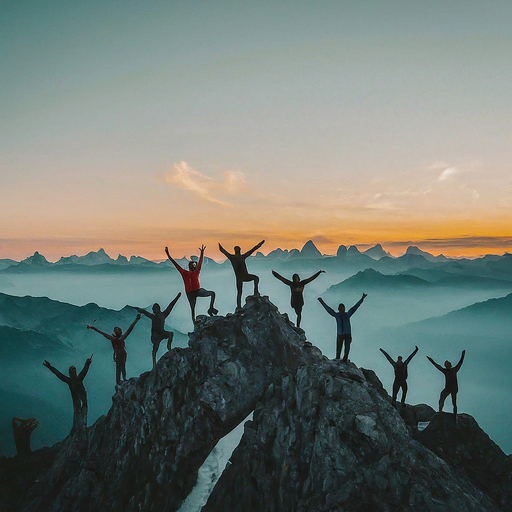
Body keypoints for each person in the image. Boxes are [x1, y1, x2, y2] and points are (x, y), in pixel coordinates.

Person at [165, 245, 217, 322]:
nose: (194, 266)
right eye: (193, 265)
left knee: (211, 294)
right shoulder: (186, 272)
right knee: (193, 309)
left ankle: (210, 309)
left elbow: (200, 263)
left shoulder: (190, 272)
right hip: (192, 292)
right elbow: (176, 264)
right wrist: (168, 255)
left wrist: (202, 253)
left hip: (194, 292)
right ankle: (196, 321)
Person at [43, 356, 93, 435]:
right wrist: (87, 363)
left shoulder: (70, 380)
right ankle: (79, 431)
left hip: (79, 401)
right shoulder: (76, 378)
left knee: (80, 413)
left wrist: (50, 367)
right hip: (80, 400)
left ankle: (79, 431)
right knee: (80, 413)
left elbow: (58, 374)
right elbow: (85, 370)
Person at [131, 292, 181, 370]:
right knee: (155, 347)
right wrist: (133, 307)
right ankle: (154, 364)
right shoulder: (154, 316)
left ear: (158, 310)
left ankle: (169, 347)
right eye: (154, 310)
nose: (154, 311)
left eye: (155, 310)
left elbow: (171, 305)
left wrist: (177, 297)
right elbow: (143, 311)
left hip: (162, 333)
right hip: (155, 335)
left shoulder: (163, 315)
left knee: (171, 334)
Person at [87, 315, 141, 384]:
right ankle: (121, 380)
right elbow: (130, 329)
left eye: (117, 330)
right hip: (120, 353)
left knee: (120, 367)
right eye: (116, 330)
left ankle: (121, 380)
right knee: (120, 367)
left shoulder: (115, 338)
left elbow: (130, 329)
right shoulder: (118, 338)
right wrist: (136, 319)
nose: (117, 331)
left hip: (120, 353)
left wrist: (92, 327)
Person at [317, 293, 367, 361]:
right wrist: (321, 302)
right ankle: (338, 358)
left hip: (347, 334)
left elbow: (355, 307)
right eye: (341, 308)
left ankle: (345, 359)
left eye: (343, 308)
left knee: (347, 349)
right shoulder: (336, 315)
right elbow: (328, 309)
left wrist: (362, 299)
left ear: (344, 308)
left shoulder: (347, 314)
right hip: (340, 335)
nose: (342, 310)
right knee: (338, 349)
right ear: (338, 309)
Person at [218, 240, 265, 309]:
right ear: (240, 250)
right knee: (256, 278)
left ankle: (239, 307)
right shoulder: (242, 257)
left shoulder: (232, 257)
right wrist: (261, 243)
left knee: (239, 292)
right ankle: (256, 292)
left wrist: (220, 246)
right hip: (245, 276)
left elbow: (223, 251)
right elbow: (253, 249)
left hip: (239, 278)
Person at [427, 350, 466, 418]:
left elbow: (460, 362)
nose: (446, 365)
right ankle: (440, 411)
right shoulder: (446, 371)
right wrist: (431, 360)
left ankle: (454, 415)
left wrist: (463, 355)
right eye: (446, 365)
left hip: (453, 388)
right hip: (448, 388)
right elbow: (437, 366)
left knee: (454, 401)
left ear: (450, 365)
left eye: (447, 364)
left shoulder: (454, 370)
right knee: (442, 398)